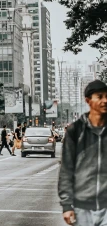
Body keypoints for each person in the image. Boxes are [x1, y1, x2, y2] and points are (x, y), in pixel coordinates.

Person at [59, 79, 107, 226]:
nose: (105, 100)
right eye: (99, 97)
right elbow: (67, 169)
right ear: (88, 101)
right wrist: (67, 205)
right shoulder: (75, 130)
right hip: (82, 207)